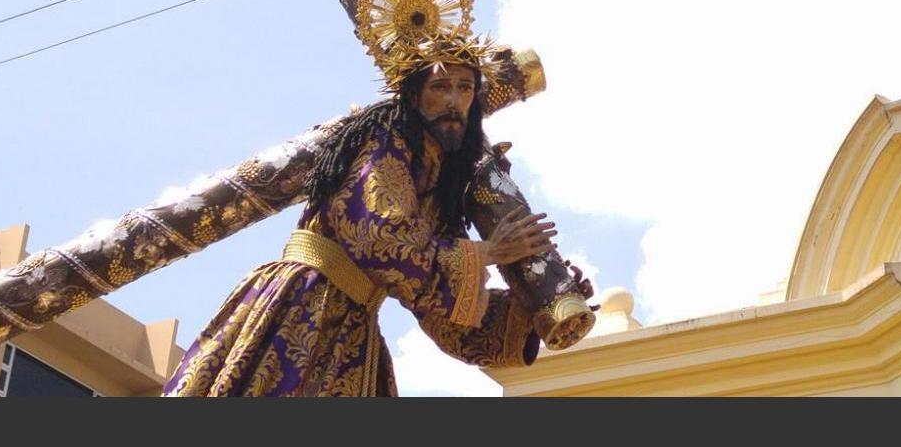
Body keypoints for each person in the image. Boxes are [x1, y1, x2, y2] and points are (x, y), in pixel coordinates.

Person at [163, 57, 592, 396]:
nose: (453, 101)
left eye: (465, 88)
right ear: (413, 95)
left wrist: (529, 307)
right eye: (440, 86)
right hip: (303, 305)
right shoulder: (383, 141)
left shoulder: (443, 186)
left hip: (354, 329)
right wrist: (488, 253)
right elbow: (378, 240)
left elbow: (444, 316)